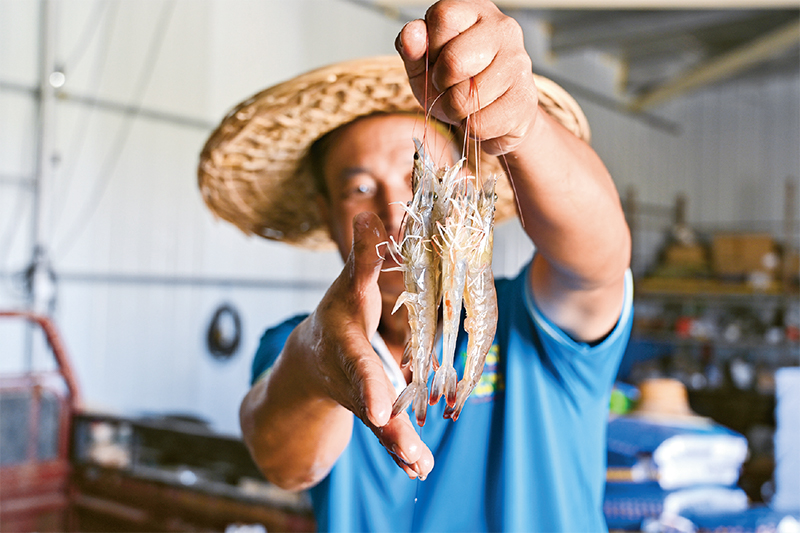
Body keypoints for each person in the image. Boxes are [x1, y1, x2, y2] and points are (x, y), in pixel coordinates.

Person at [198, 0, 633, 531]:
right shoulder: (300, 345)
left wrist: (524, 126)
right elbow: (283, 461)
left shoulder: (535, 324)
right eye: (359, 188)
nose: (397, 212)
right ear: (326, 215)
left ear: (468, 189)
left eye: (416, 179)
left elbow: (600, 260)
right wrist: (313, 368)